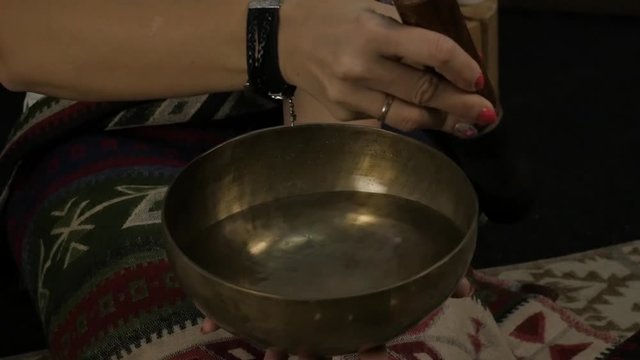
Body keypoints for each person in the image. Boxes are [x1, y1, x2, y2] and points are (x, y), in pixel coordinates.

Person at [0, 0, 495, 359]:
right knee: (175, 342)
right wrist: (276, 39)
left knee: (426, 340)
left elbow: (344, 27)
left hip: (329, 86)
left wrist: (328, 234)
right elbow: (14, 35)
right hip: (108, 110)